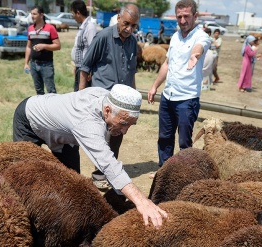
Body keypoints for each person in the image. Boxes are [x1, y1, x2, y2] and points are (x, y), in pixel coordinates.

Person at [12, 84, 168, 229]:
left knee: (71, 185)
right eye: (123, 123)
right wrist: (142, 201)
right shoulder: (86, 124)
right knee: (24, 179)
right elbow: (108, 165)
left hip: (64, 135)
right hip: (29, 119)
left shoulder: (107, 98)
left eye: (130, 125)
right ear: (107, 110)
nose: (125, 131)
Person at [79, 4, 139, 189]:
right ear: (119, 18)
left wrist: (134, 97)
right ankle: (99, 175)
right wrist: (81, 96)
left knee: (117, 136)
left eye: (133, 26)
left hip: (122, 103)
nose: (129, 29)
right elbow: (85, 66)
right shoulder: (103, 37)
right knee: (101, 137)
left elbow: (131, 72)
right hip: (102, 98)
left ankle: (109, 173)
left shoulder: (133, 42)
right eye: (126, 23)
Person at [147, 0, 210, 167]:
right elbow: (167, 64)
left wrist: (194, 55)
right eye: (179, 17)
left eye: (186, 16)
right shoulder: (175, 37)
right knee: (165, 138)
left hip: (186, 100)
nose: (182, 21)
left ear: (195, 16)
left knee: (184, 142)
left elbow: (200, 47)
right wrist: (155, 86)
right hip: (168, 97)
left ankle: (183, 175)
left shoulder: (201, 36)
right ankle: (164, 172)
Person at [24, 6, 61, 95]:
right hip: (33, 64)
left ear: (41, 15)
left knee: (51, 91)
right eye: (31, 14)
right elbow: (28, 47)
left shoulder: (50, 28)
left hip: (46, 65)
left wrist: (44, 46)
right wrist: (26, 63)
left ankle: (53, 108)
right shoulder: (30, 29)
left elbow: (58, 46)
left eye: (34, 14)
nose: (32, 16)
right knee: (39, 91)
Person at [70, 0, 97, 92]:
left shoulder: (90, 27)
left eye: (72, 13)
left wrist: (90, 70)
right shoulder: (83, 27)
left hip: (85, 69)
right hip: (80, 67)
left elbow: (93, 50)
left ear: (78, 13)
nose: (72, 17)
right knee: (77, 95)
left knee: (82, 97)